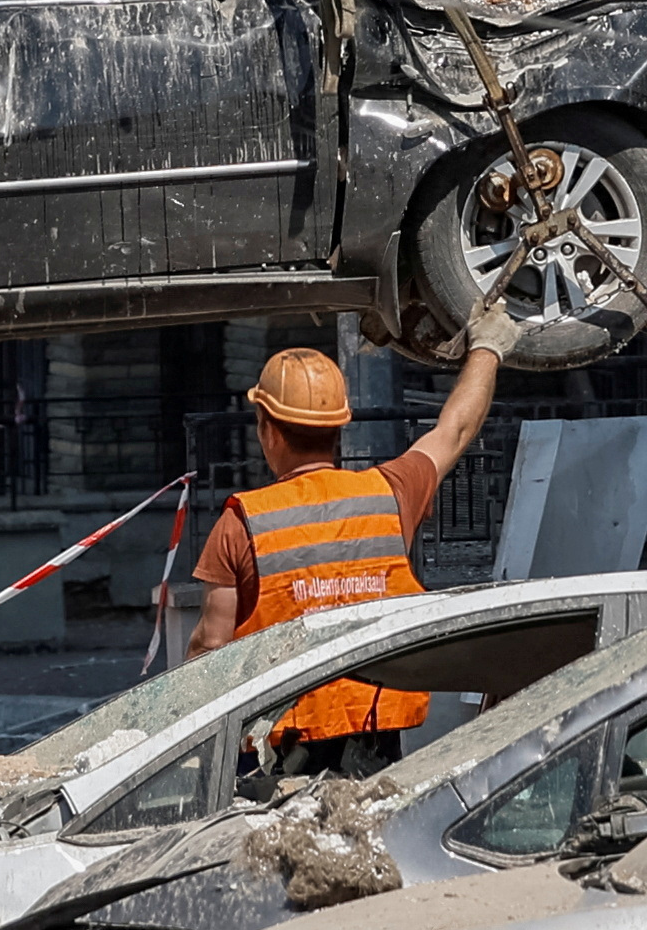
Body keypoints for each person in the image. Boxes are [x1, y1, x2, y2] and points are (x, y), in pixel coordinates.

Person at [181, 308, 518, 769]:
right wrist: (489, 348)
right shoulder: (391, 494)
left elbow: (209, 652)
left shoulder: (242, 523)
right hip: (376, 746)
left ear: (267, 428)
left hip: (273, 757)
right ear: (340, 426)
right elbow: (454, 430)